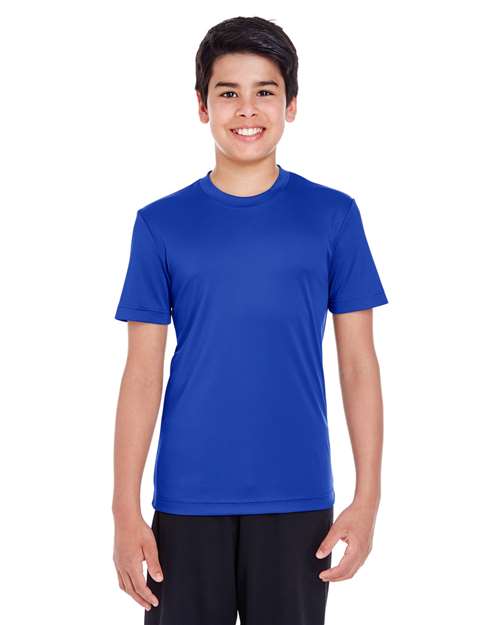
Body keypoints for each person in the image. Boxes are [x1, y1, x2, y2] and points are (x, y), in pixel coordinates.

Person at [112, 15, 389, 625]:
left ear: (291, 105)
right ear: (202, 106)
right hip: (187, 498)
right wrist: (124, 510)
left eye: (265, 91)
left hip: (298, 498)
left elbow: (358, 365)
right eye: (227, 92)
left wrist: (367, 498)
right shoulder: (159, 224)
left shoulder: (334, 217)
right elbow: (141, 375)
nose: (246, 109)